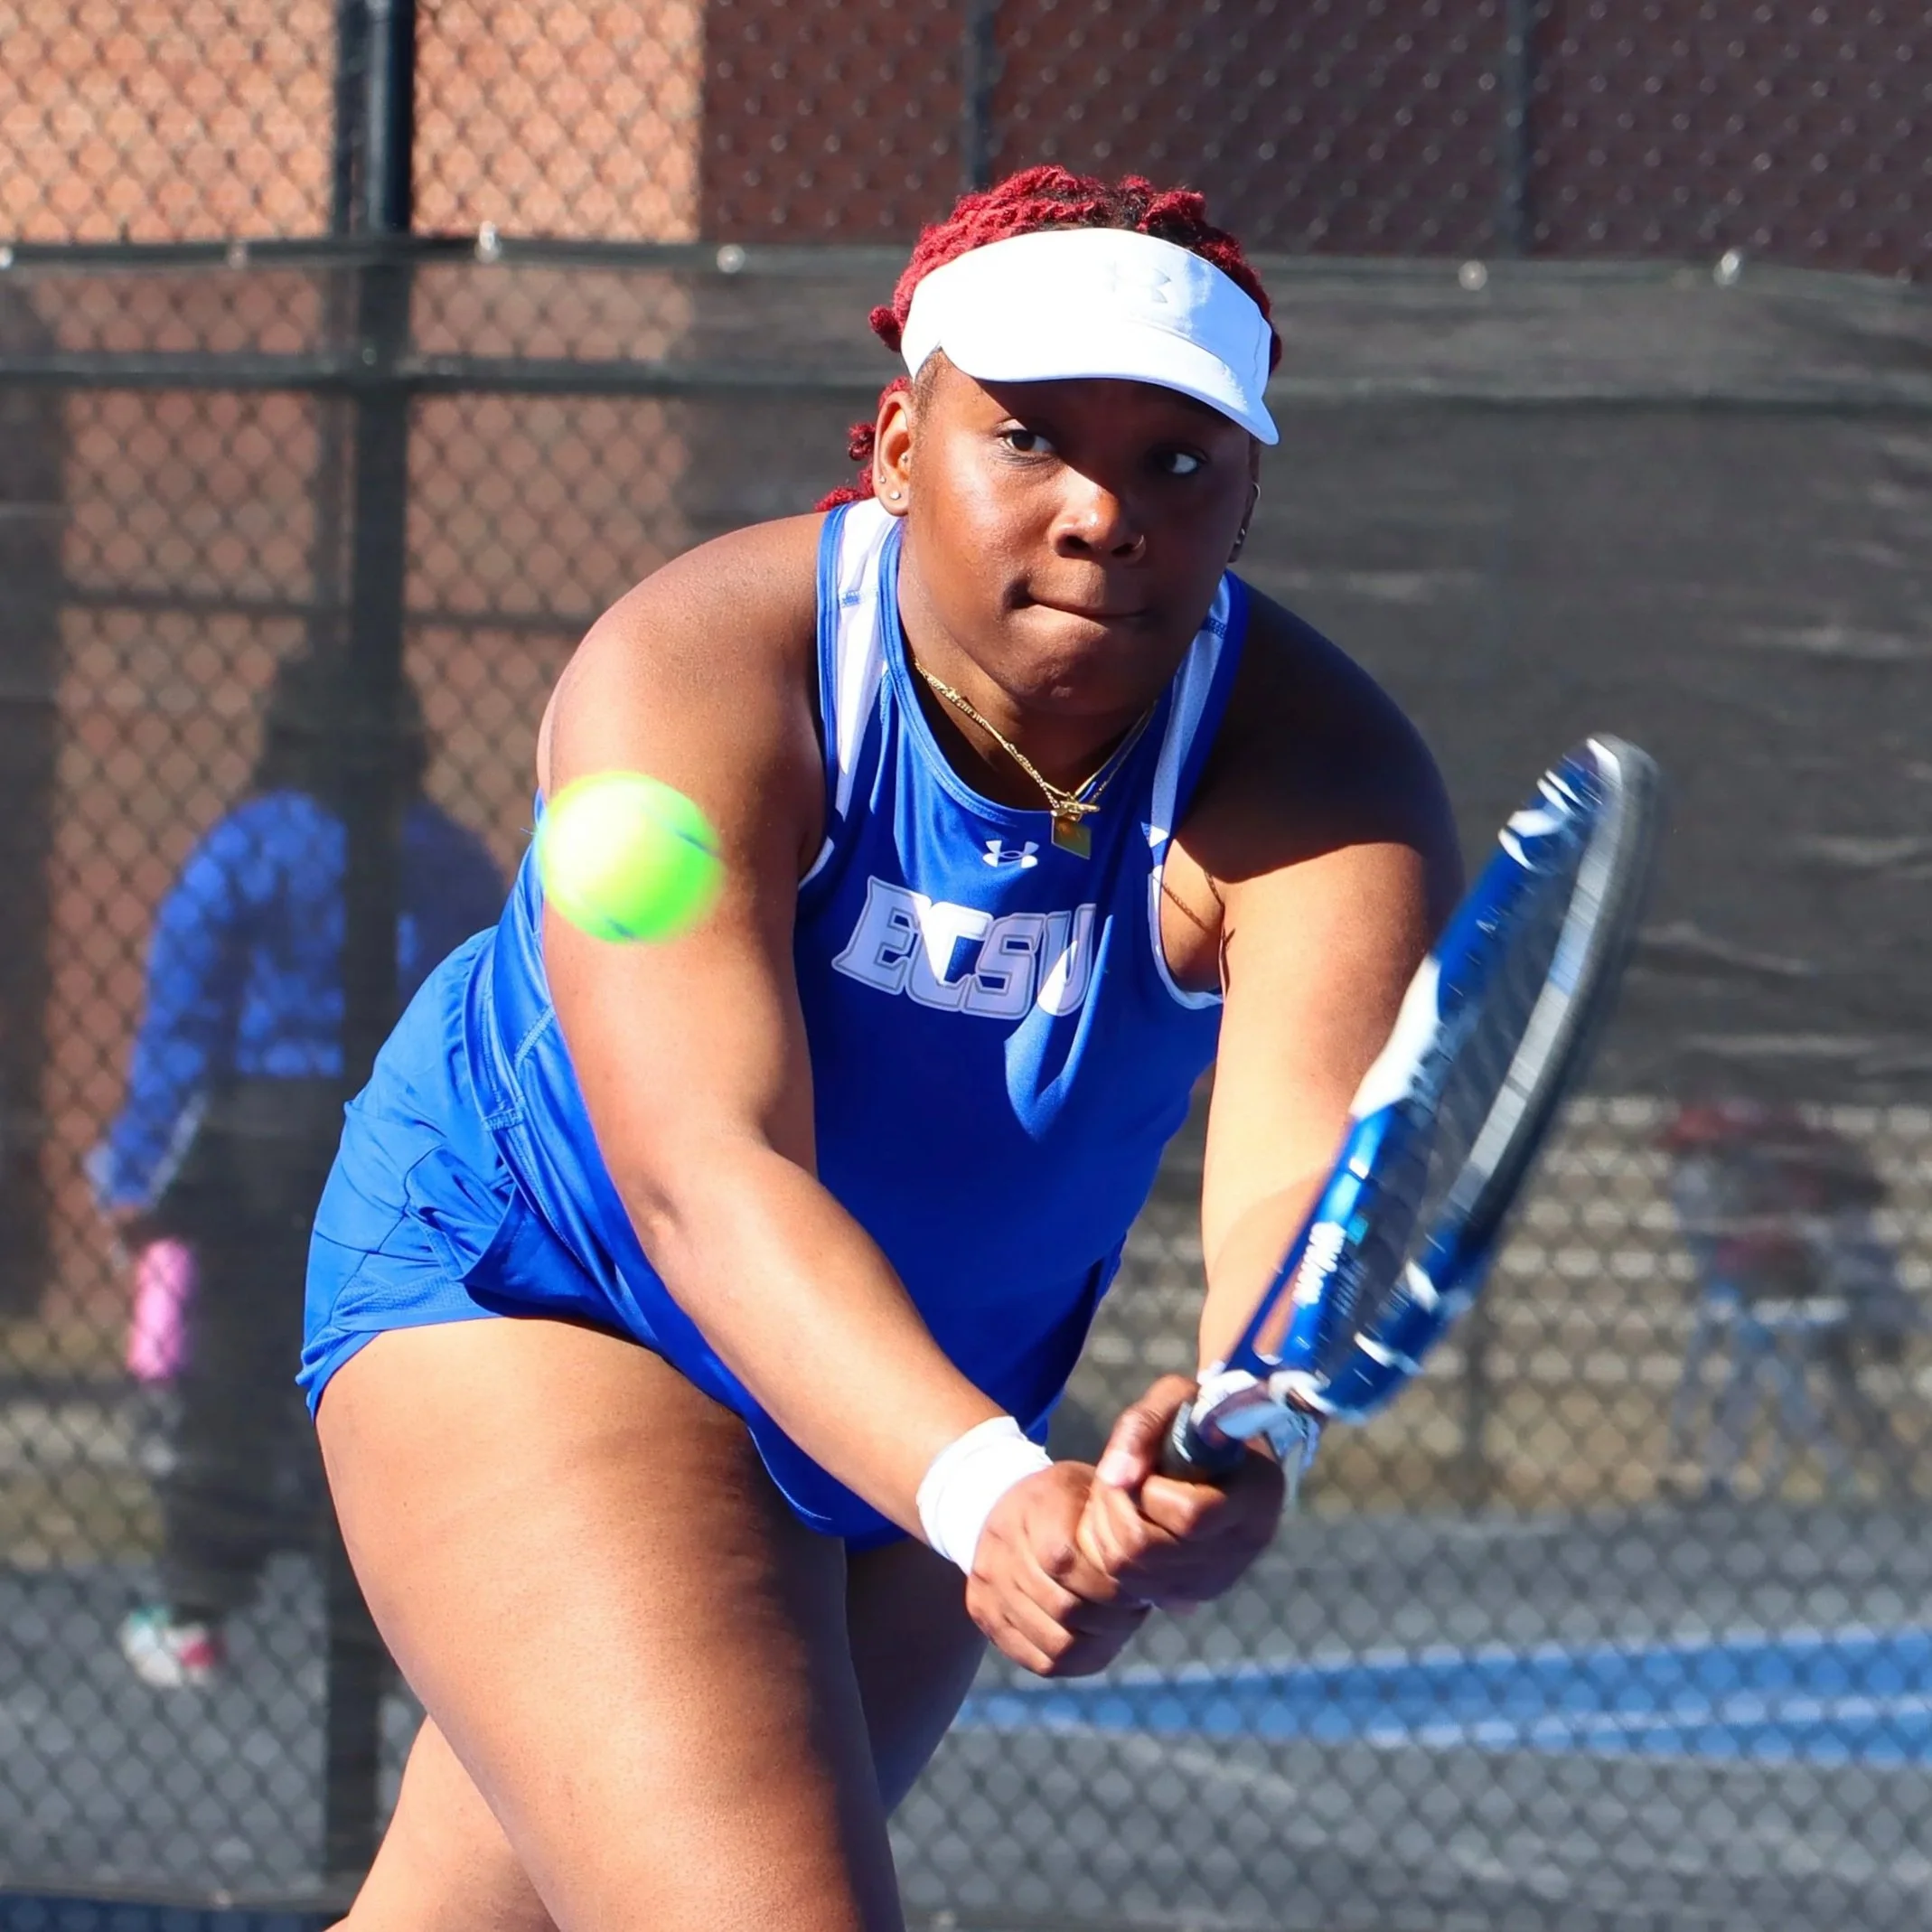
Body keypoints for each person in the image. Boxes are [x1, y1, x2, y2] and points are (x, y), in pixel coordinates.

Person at [303, 166, 1459, 1930]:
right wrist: (985, 1487)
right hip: (545, 1292)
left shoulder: (1323, 780)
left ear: (1245, 491)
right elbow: (705, 1170)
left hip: (937, 1375)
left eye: (1176, 462)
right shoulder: (695, 666)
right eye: (1031, 440)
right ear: (899, 443)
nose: (1101, 513)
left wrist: (1240, 1445)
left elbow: (1301, 1180)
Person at [90, 652, 503, 1687]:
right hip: (399, 1135)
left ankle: (196, 1605)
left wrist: (138, 1163)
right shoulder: (445, 853)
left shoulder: (246, 849)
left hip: (259, 1137)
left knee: (234, 1371)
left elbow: (184, 1024)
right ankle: (376, 1632)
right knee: (387, 1370)